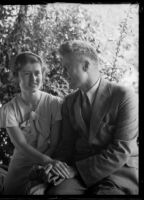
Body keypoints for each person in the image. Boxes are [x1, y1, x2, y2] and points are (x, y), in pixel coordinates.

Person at [45, 40, 138, 195]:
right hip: (78, 176)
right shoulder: (69, 102)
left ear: (86, 66)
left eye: (66, 67)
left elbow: (122, 149)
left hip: (118, 174)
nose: (63, 73)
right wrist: (54, 165)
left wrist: (76, 170)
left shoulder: (124, 96)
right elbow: (66, 146)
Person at [0, 51, 69, 195]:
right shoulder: (9, 110)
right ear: (17, 76)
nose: (34, 78)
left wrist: (44, 166)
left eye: (37, 73)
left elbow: (55, 142)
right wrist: (47, 161)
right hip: (20, 168)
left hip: (46, 168)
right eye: (27, 74)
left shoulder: (55, 104)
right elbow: (21, 145)